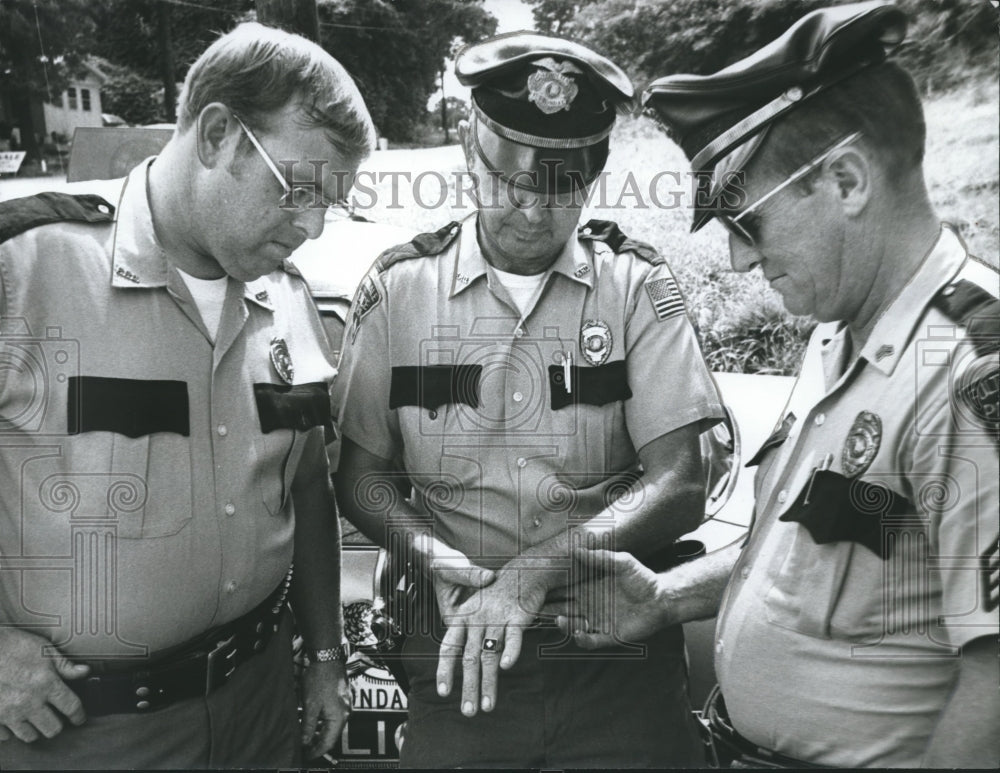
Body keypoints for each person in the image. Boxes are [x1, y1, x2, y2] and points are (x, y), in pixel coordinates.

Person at [559, 2, 999, 768]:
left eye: (746, 223)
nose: (735, 261)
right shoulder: (837, 335)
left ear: (846, 180)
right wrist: (669, 596)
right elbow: (822, 548)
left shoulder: (970, 366)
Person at [332, 31, 726, 768]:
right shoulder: (398, 291)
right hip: (458, 654)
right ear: (468, 152)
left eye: (561, 188)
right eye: (511, 180)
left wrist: (538, 569)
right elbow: (360, 477)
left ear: (594, 176)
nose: (532, 211)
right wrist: (432, 553)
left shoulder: (637, 287)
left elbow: (682, 479)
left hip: (616, 655)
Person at [0, 22, 375, 770]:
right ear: (216, 135)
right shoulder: (26, 271)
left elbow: (305, 487)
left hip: (261, 709)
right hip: (83, 733)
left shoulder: (289, 300)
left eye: (331, 204)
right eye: (299, 190)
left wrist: (327, 654)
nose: (311, 226)